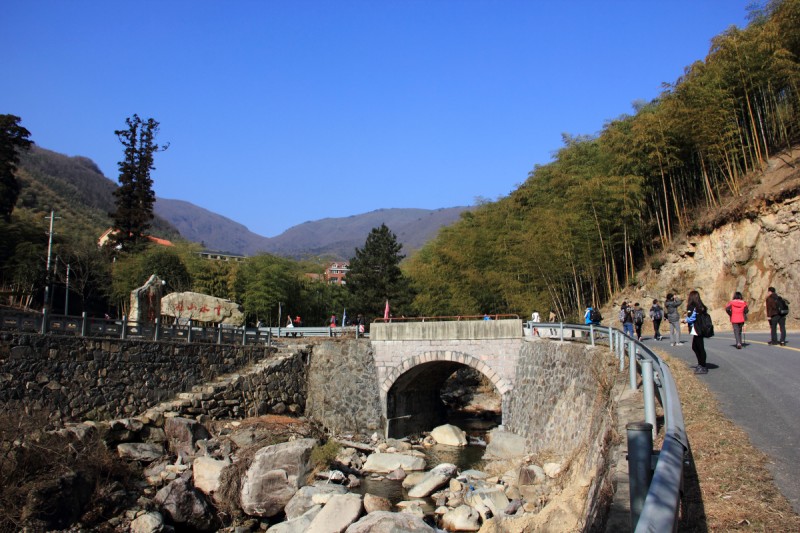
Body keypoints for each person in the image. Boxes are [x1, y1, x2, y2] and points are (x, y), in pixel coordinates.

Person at [685, 290, 708, 374]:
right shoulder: (701, 306)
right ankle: (701, 364)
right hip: (701, 328)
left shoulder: (692, 306)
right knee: (695, 347)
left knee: (699, 347)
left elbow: (692, 318)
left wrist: (685, 320)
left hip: (696, 329)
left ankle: (703, 366)